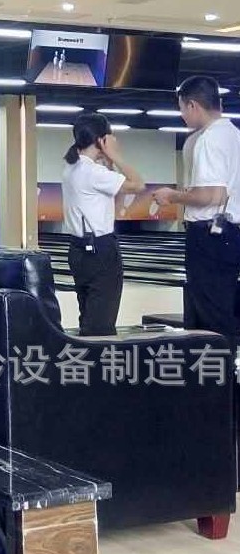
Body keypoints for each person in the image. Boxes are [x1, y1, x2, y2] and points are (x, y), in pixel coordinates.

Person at [154, 76, 240, 352]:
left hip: (209, 236)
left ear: (192, 105)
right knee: (222, 307)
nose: (182, 116)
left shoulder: (209, 139)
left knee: (208, 315)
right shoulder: (233, 134)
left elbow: (211, 195)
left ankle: (214, 374)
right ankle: (221, 371)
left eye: (181, 108)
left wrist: (172, 196)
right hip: (229, 234)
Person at [62, 112, 146, 335]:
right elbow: (139, 184)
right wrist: (116, 156)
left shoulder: (72, 168)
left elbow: (115, 203)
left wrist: (108, 163)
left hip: (78, 250)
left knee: (89, 317)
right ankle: (98, 357)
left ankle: (85, 355)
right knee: (101, 324)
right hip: (101, 250)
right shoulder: (93, 172)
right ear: (102, 140)